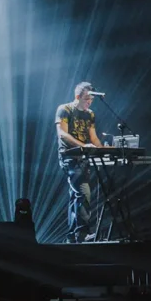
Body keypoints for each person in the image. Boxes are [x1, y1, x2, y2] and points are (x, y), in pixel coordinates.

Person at [55, 81, 103, 243]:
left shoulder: (90, 114)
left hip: (84, 159)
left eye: (91, 100)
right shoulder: (64, 109)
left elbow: (94, 137)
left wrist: (103, 150)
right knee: (83, 192)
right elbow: (62, 133)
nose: (89, 102)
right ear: (77, 97)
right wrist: (83, 146)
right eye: (86, 99)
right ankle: (82, 233)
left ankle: (72, 237)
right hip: (69, 157)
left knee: (76, 197)